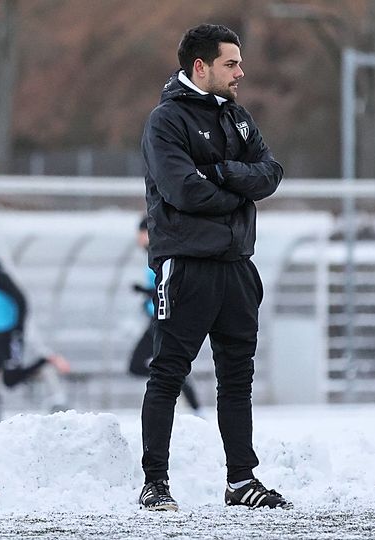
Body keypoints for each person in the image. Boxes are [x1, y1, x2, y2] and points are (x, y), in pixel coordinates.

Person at [139, 24, 288, 511]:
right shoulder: (166, 122)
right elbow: (183, 190)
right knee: (168, 374)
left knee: (237, 379)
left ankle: (241, 482)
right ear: (199, 67)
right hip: (186, 267)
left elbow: (270, 174)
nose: (241, 72)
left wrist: (221, 174)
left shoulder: (238, 118)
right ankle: (155, 484)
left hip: (237, 268)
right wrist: (237, 191)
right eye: (231, 64)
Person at [0, 241, 70, 421]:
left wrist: (18, 328)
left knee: (10, 380)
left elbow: (21, 299)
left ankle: (46, 360)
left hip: (9, 335)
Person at [129, 217, 201, 415]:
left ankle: (191, 404)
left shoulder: (163, 254)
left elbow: (168, 287)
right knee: (143, 365)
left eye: (141, 234)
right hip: (155, 318)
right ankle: (181, 390)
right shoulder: (152, 256)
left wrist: (145, 292)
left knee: (158, 363)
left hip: (164, 318)